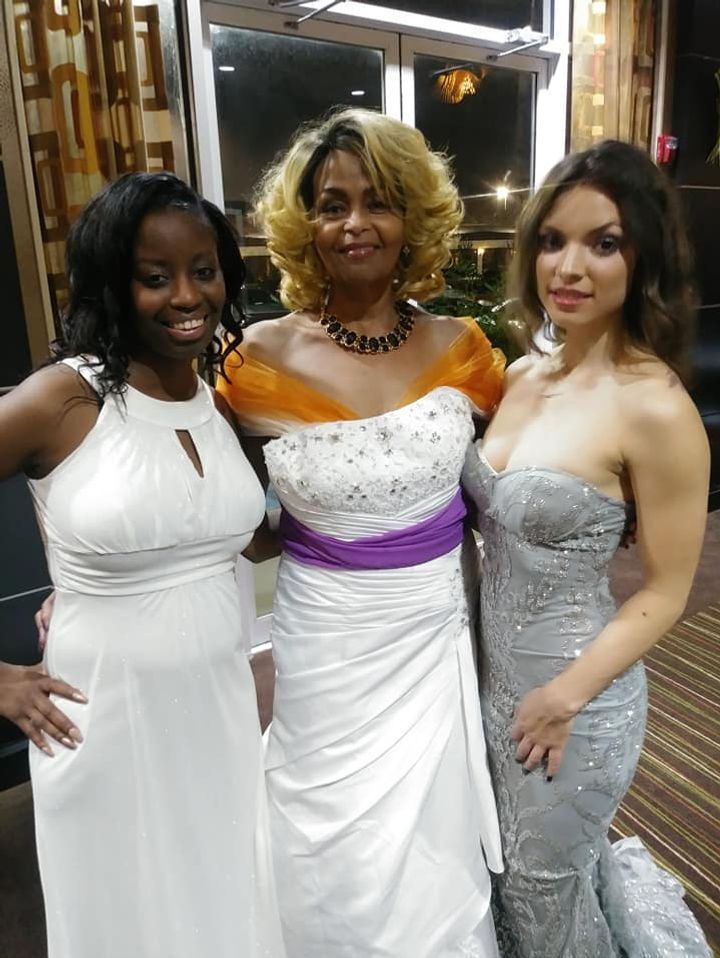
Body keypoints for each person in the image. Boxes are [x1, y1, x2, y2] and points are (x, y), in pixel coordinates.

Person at [218, 107, 506, 956]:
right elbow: (218, 510)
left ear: (411, 216)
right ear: (303, 224)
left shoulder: (466, 351)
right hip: (325, 642)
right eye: (332, 203)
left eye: (377, 202)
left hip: (432, 632)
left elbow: (517, 484)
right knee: (329, 838)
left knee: (432, 843)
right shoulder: (255, 361)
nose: (354, 225)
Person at [0, 173, 285, 958]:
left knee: (223, 897)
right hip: (105, 719)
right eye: (154, 278)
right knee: (126, 921)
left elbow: (239, 539)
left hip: (221, 709)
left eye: (203, 270)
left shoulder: (218, 402)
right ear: (112, 285)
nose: (186, 296)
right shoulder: (61, 399)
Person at [461, 140, 712, 957]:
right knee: (517, 880)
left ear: (643, 257)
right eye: (551, 240)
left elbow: (666, 591)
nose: (568, 267)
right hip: (493, 687)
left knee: (541, 896)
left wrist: (565, 695)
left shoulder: (656, 406)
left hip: (578, 700)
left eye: (603, 243)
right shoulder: (524, 376)